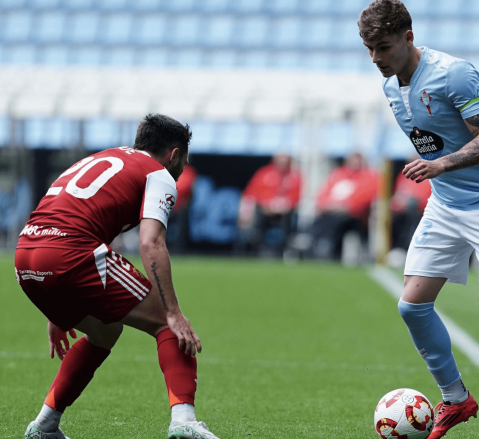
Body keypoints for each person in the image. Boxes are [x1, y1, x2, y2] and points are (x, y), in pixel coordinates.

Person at [359, 1, 479, 438]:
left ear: (407, 38)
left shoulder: (453, 73)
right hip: (446, 204)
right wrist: (437, 167)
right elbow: (432, 138)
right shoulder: (390, 86)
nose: (375, 59)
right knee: (412, 306)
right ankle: (457, 399)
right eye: (368, 49)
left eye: (382, 47)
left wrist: (441, 165)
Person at [14, 114, 220, 439]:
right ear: (175, 155)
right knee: (168, 326)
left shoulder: (104, 157)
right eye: (184, 161)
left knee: (105, 331)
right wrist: (172, 311)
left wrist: (58, 309)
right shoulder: (159, 173)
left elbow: (70, 213)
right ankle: (184, 420)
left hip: (26, 253)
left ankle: (44, 425)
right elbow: (151, 242)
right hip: (69, 253)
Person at [309, 152, 379, 260]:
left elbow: (363, 200)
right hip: (331, 212)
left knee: (336, 222)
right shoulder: (338, 174)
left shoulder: (369, 176)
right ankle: (314, 250)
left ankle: (330, 252)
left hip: (354, 217)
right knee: (318, 222)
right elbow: (322, 195)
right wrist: (328, 206)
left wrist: (344, 207)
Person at [237, 153, 301, 256]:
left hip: (285, 212)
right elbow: (250, 195)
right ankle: (256, 251)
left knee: (287, 225)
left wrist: (282, 205)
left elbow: (296, 198)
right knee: (255, 225)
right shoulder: (264, 173)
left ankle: (280, 252)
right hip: (264, 210)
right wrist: (266, 205)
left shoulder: (295, 176)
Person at [390, 166, 432, 250]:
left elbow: (424, 197)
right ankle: (394, 248)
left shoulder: (428, 175)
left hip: (419, 210)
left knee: (411, 211)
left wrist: (408, 201)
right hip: (402, 209)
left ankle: (408, 247)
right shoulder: (405, 174)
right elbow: (399, 192)